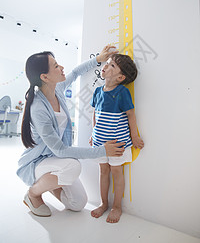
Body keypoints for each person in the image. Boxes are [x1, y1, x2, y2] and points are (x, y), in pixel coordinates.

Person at [17, 45, 125, 217]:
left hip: (55, 159)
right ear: (44, 77)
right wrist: (102, 150)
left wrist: (99, 59)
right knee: (73, 165)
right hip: (39, 161)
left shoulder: (57, 90)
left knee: (77, 203)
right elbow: (60, 150)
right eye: (56, 66)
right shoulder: (38, 108)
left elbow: (75, 73)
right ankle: (33, 194)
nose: (61, 68)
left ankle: (50, 182)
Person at [89, 53, 144, 223]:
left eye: (112, 65)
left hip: (118, 143)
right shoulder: (98, 91)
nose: (106, 65)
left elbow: (130, 114)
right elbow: (94, 114)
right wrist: (93, 133)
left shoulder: (122, 92)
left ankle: (117, 206)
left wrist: (135, 136)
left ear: (121, 77)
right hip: (100, 143)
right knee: (103, 171)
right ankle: (104, 203)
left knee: (116, 172)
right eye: (107, 63)